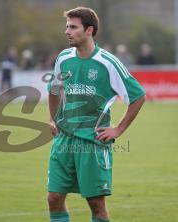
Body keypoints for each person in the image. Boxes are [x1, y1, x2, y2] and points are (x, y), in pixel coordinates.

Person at [47, 7, 146, 222]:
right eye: (67, 27)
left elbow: (138, 95)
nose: (67, 31)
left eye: (73, 27)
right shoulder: (63, 58)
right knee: (54, 197)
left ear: (89, 30)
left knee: (95, 203)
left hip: (92, 141)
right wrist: (53, 120)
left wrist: (118, 129)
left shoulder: (108, 63)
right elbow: (54, 91)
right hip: (64, 140)